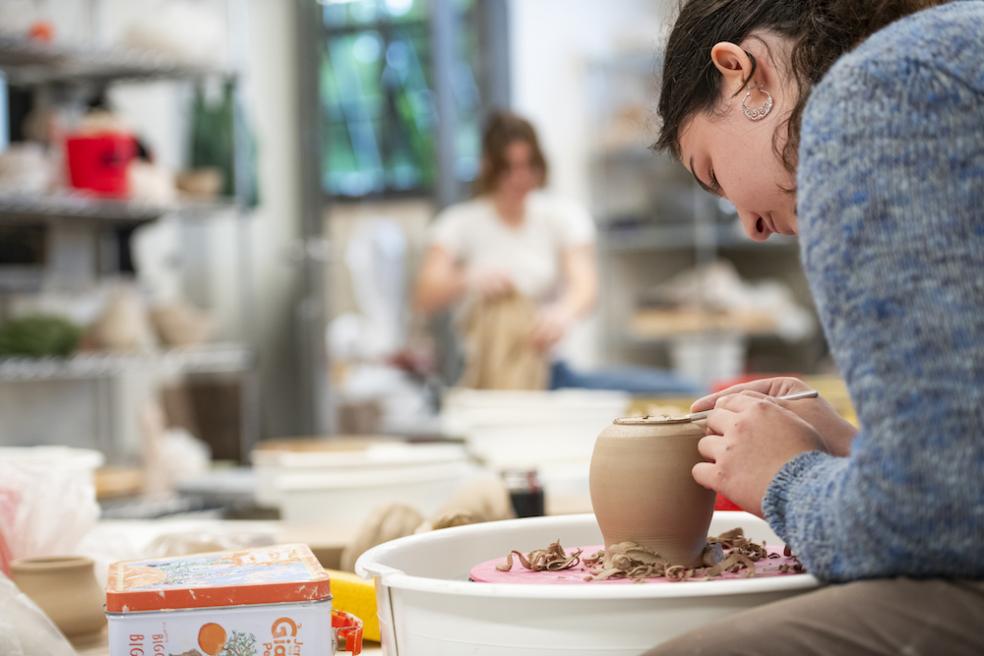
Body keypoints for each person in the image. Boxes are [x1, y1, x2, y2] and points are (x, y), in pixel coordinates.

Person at [646, 0, 984, 653]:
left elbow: (933, 520)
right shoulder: (946, 53)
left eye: (714, 175)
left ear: (741, 73)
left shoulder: (874, 98)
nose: (748, 224)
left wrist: (786, 477)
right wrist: (856, 453)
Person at [414, 111, 598, 382]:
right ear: (488, 167)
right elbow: (424, 295)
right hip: (486, 372)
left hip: (546, 369)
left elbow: (586, 286)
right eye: (508, 168)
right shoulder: (458, 224)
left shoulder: (562, 217)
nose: (519, 177)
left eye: (527, 165)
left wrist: (562, 314)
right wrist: (467, 278)